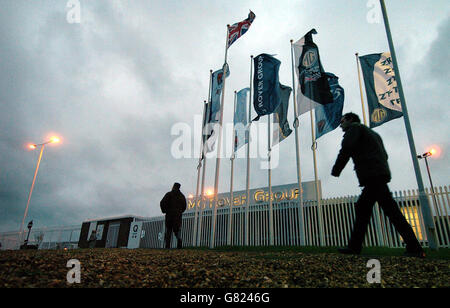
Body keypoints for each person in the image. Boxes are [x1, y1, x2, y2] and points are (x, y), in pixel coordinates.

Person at [331, 112, 425, 258]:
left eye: (342, 121)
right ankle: (355, 246)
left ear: (350, 120)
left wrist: (336, 169)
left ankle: (414, 247)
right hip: (378, 174)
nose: (340, 125)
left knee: (386, 211)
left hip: (372, 175)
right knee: (371, 209)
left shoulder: (354, 129)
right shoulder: (373, 134)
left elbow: (347, 147)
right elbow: (385, 155)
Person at [160, 182, 187, 249]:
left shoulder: (169, 194)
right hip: (177, 217)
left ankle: (167, 246)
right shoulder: (182, 196)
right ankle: (179, 242)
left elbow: (162, 202)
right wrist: (180, 212)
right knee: (177, 231)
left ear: (173, 187)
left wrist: (164, 210)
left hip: (169, 215)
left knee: (169, 230)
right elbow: (184, 206)